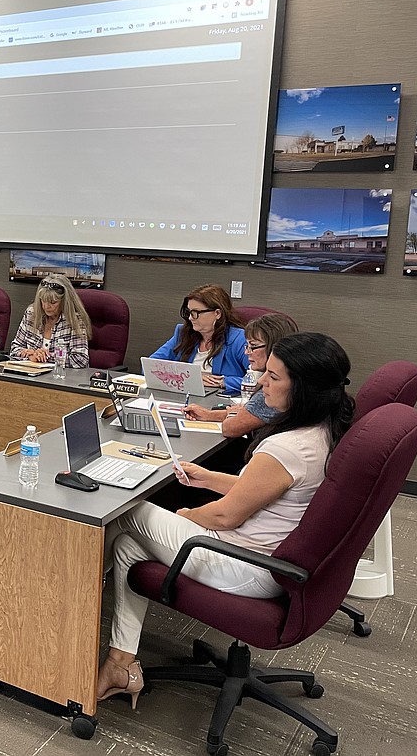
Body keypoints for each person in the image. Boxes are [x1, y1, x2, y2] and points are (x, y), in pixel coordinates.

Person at [96, 332, 354, 707]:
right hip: (266, 559)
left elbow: (226, 514)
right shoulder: (320, 432)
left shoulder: (287, 446)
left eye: (274, 377)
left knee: (126, 508)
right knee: (128, 546)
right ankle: (121, 664)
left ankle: (67, 605)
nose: (261, 380)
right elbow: (266, 487)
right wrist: (206, 477)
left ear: (305, 389)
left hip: (245, 565)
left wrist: (185, 515)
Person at [183, 313, 299, 437]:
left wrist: (233, 412)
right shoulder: (294, 377)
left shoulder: (274, 389)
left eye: (253, 346)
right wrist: (208, 414)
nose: (246, 352)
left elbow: (230, 428)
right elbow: (252, 415)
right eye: (247, 346)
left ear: (274, 347)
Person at [150, 284, 249, 394]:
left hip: (220, 402)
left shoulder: (239, 339)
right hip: (183, 397)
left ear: (217, 313)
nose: (190, 318)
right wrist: (192, 377)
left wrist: (222, 381)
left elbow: (259, 381)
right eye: (189, 312)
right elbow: (150, 367)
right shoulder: (183, 333)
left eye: (196, 313)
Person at [9, 274, 91, 366]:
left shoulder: (75, 320)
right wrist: (29, 355)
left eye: (53, 302)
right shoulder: (31, 314)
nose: (46, 306)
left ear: (64, 301)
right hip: (30, 374)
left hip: (61, 377)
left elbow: (80, 359)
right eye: (43, 300)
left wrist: (46, 357)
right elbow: (15, 348)